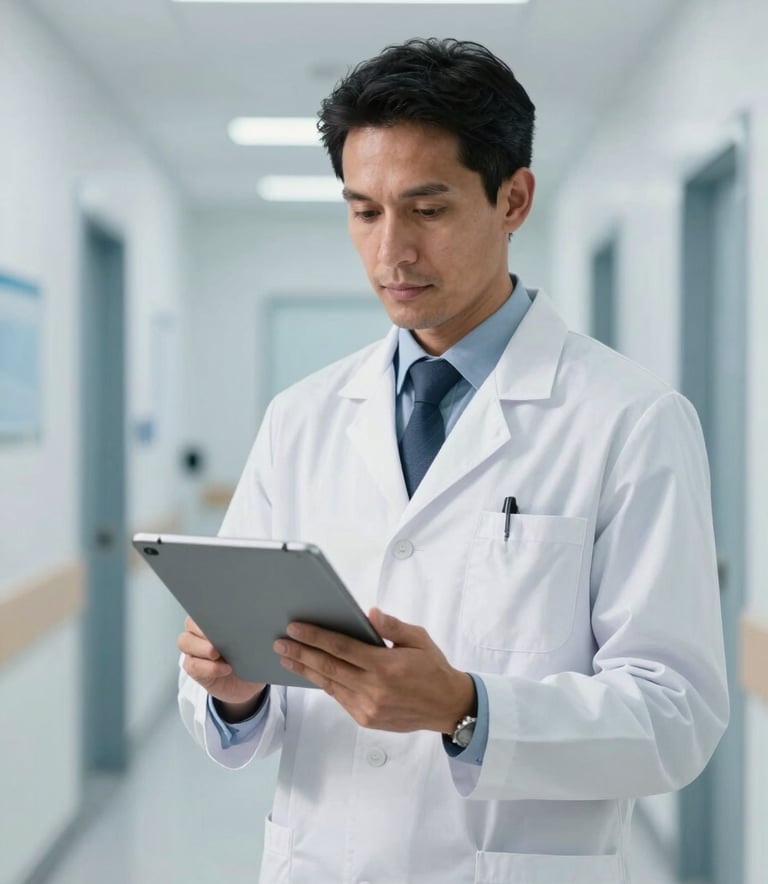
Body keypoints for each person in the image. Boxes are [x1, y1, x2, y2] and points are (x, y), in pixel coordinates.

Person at [177, 38, 728, 884]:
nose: (391, 252)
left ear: (513, 199)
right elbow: (244, 696)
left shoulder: (632, 419)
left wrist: (468, 709)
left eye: (426, 210)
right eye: (364, 211)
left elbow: (677, 716)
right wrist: (232, 686)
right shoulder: (302, 419)